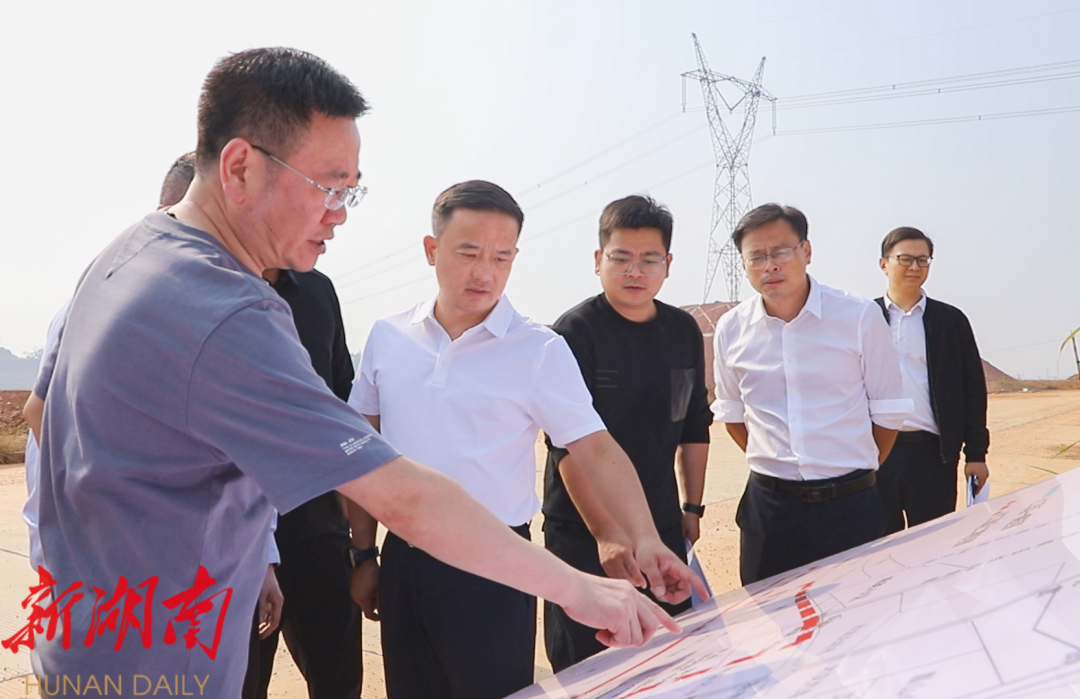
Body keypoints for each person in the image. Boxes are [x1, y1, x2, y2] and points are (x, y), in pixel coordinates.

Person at [21, 48, 677, 698]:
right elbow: (401, 497)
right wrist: (582, 589)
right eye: (328, 186)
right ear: (241, 167)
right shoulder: (229, 313)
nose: (339, 212)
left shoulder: (129, 251)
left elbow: (51, 422)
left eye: (350, 190)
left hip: (92, 645)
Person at [348, 181, 703, 699]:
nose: (484, 272)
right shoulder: (388, 336)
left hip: (498, 567)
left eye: (502, 257)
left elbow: (595, 449)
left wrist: (645, 536)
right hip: (405, 561)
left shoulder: (538, 350)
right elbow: (363, 448)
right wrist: (363, 554)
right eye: (468, 253)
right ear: (431, 249)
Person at [542, 195, 712, 671]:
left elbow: (694, 424)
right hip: (585, 532)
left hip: (658, 525)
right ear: (598, 260)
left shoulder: (682, 330)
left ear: (668, 265)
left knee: (669, 660)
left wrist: (692, 508)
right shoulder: (573, 333)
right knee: (591, 667)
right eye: (621, 258)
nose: (635, 271)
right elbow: (567, 449)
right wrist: (607, 534)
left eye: (649, 259)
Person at [711, 203, 912, 585]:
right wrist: (778, 463)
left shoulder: (858, 316)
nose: (770, 265)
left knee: (860, 611)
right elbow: (733, 414)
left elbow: (887, 412)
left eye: (780, 252)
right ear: (744, 264)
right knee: (770, 617)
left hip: (851, 509)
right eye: (756, 256)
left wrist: (850, 470)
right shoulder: (731, 328)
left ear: (806, 251)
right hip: (770, 513)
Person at [241, 266, 368, 699]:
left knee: (339, 681)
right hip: (237, 542)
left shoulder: (316, 290)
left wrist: (360, 542)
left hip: (318, 531)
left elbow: (343, 400)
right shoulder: (207, 289)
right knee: (239, 685)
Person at [873, 226, 990, 534]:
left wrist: (976, 455)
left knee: (934, 545)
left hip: (933, 456)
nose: (915, 267)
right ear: (884, 264)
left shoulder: (950, 321)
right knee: (876, 548)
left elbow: (972, 389)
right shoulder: (864, 318)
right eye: (905, 259)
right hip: (875, 455)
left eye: (923, 260)